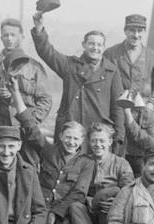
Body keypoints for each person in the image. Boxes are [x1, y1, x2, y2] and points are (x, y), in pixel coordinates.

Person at [13, 78, 95, 224]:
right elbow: (29, 126)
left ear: (81, 142)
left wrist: (56, 213)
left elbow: (78, 192)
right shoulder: (49, 151)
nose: (71, 142)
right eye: (67, 137)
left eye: (75, 139)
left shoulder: (87, 163)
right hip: (42, 210)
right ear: (60, 136)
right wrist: (15, 92)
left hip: (66, 212)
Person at [31, 11, 125, 154]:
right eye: (91, 44)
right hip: (71, 130)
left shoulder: (112, 72)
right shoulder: (71, 66)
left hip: (98, 134)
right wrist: (39, 29)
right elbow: (48, 52)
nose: (95, 48)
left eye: (99, 45)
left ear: (104, 47)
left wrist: (118, 137)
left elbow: (118, 109)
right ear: (84, 45)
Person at [103, 14, 154, 175]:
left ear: (144, 32)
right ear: (125, 31)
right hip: (117, 115)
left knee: (144, 163)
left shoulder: (151, 55)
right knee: (116, 157)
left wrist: (150, 105)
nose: (136, 35)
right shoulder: (111, 54)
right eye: (132, 30)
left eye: (140, 31)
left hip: (143, 118)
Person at [0, 18, 51, 134]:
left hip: (25, 126)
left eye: (13, 35)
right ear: (1, 38)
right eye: (6, 35)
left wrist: (31, 120)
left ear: (22, 37)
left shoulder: (34, 67)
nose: (9, 39)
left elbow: (45, 99)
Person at [80, 123, 135, 224]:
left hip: (111, 211)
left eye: (102, 141)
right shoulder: (83, 161)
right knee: (75, 207)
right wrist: (87, 198)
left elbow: (129, 189)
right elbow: (75, 187)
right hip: (88, 209)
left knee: (108, 196)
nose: (98, 145)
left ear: (110, 142)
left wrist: (115, 202)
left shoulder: (121, 163)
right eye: (94, 141)